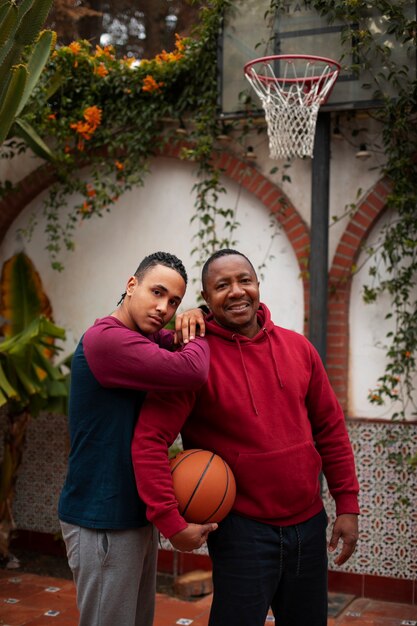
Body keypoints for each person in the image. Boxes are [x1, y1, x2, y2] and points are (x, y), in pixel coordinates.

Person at [132, 248, 360, 626]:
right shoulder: (194, 359)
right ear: (206, 300)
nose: (236, 291)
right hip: (241, 531)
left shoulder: (299, 349)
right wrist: (171, 522)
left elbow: (331, 428)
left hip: (308, 523)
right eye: (222, 286)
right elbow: (149, 440)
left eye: (244, 281)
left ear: (257, 286)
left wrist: (347, 504)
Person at [58, 251, 216, 626]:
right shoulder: (106, 340)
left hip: (134, 515)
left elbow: (179, 342)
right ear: (132, 286)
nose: (164, 308)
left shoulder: (144, 338)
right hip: (102, 519)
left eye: (174, 301)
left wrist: (198, 315)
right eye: (157, 292)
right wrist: (196, 327)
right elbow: (191, 368)